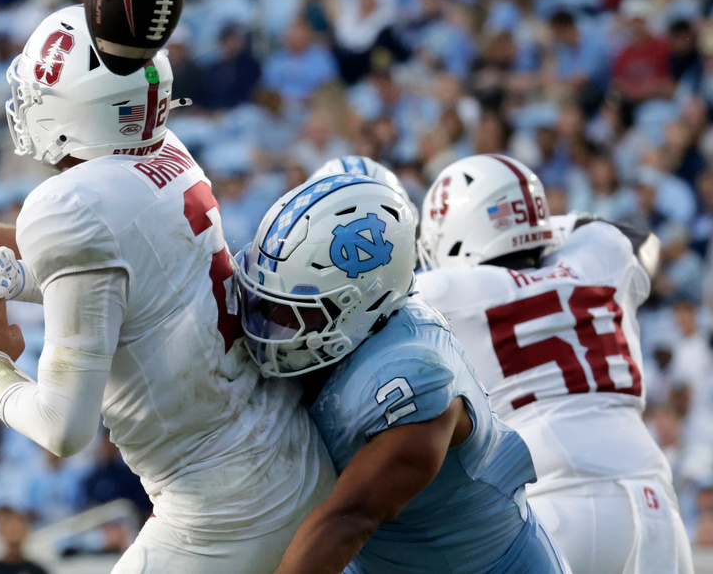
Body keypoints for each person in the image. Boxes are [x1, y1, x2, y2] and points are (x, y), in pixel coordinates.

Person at [0, 5, 335, 573]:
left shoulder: (73, 204)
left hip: (221, 507)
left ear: (81, 111)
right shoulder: (164, 153)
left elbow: (62, 428)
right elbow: (101, 269)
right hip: (284, 453)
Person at [235, 174, 569, 573]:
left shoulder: (415, 379)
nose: (271, 324)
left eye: (291, 312)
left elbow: (346, 522)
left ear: (354, 306)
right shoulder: (360, 335)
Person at [416, 154, 692, 574]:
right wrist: (552, 224)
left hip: (554, 505)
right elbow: (642, 243)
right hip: (654, 501)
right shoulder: (601, 256)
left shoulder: (444, 293)